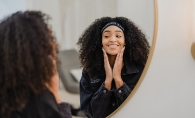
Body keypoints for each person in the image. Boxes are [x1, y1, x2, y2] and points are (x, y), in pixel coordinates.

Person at [0, 11, 72, 118]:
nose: (54, 44)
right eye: (49, 39)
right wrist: (55, 95)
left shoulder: (7, 96)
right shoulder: (39, 101)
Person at [77, 17, 150, 118]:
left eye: (118, 35)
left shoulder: (140, 70)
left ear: (125, 41)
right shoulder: (89, 71)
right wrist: (107, 82)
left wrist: (118, 80)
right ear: (100, 41)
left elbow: (139, 111)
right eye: (106, 36)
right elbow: (91, 114)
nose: (112, 39)